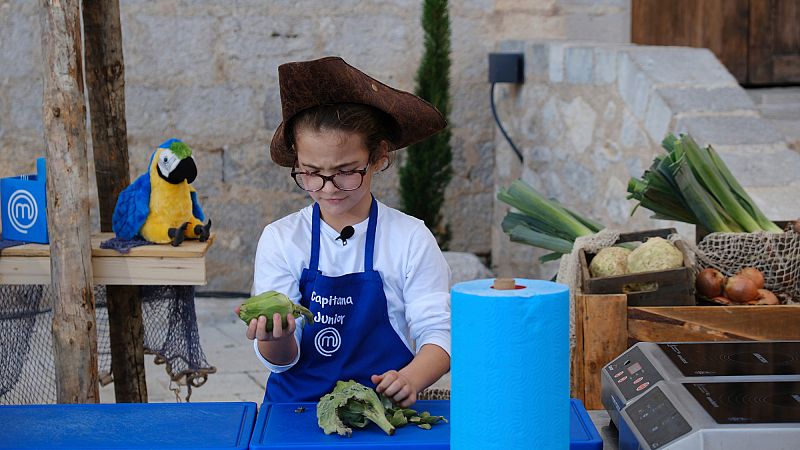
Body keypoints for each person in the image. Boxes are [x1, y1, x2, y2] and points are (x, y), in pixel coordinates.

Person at [240, 56, 451, 407]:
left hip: (382, 412)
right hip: (297, 411)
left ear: (378, 156)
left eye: (346, 171)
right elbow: (282, 361)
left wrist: (411, 379)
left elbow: (439, 334)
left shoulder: (410, 239)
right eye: (310, 172)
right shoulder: (281, 239)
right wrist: (275, 338)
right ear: (297, 162)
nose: (328, 188)